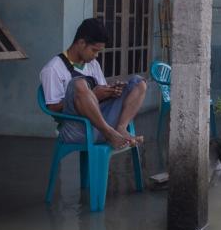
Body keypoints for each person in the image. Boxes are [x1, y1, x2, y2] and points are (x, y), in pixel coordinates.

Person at [40, 18, 146, 149]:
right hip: (78, 128)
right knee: (78, 84)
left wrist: (112, 91)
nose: (96, 56)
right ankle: (109, 133)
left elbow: (100, 92)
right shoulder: (54, 68)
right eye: (94, 50)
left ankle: (121, 128)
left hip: (101, 122)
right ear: (81, 43)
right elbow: (53, 109)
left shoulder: (93, 64)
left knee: (138, 83)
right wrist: (92, 94)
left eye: (98, 52)